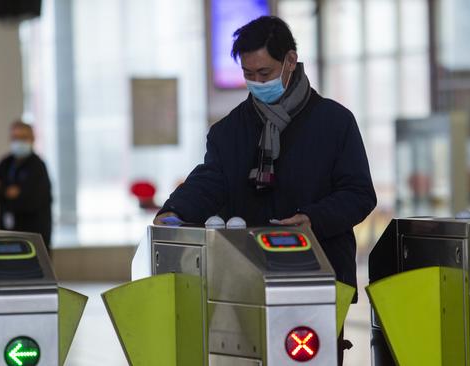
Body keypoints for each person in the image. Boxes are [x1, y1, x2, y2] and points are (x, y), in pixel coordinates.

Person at [153, 16, 376, 363]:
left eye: (265, 73)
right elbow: (211, 181)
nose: (256, 82)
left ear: (290, 61)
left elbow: (359, 193)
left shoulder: (334, 122)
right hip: (247, 278)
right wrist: (174, 211)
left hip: (320, 275)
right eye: (248, 74)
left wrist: (312, 219)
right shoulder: (230, 131)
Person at [0, 120, 53, 251]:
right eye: (15, 138)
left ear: (32, 139)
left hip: (33, 239)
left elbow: (29, 202)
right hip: (6, 236)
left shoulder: (37, 166)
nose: (18, 142)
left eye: (23, 138)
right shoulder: (6, 163)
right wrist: (7, 192)